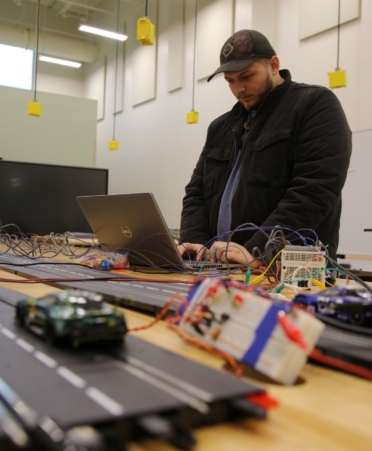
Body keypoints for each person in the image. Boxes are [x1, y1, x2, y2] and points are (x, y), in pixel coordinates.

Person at [178, 29, 352, 268]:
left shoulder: (315, 105)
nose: (238, 89)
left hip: (285, 271)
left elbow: (315, 189)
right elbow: (196, 194)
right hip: (218, 267)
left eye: (246, 76)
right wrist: (194, 242)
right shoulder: (220, 127)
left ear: (274, 65)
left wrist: (258, 248)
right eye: (230, 80)